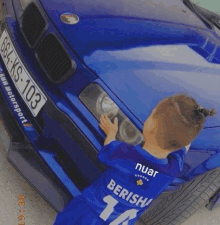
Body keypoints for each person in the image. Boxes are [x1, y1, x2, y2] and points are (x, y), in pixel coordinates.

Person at [53, 93, 216, 225]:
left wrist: (110, 132)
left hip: (87, 214)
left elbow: (107, 149)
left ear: (150, 126)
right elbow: (183, 148)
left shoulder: (124, 153)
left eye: (151, 115)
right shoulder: (171, 171)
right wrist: (191, 127)